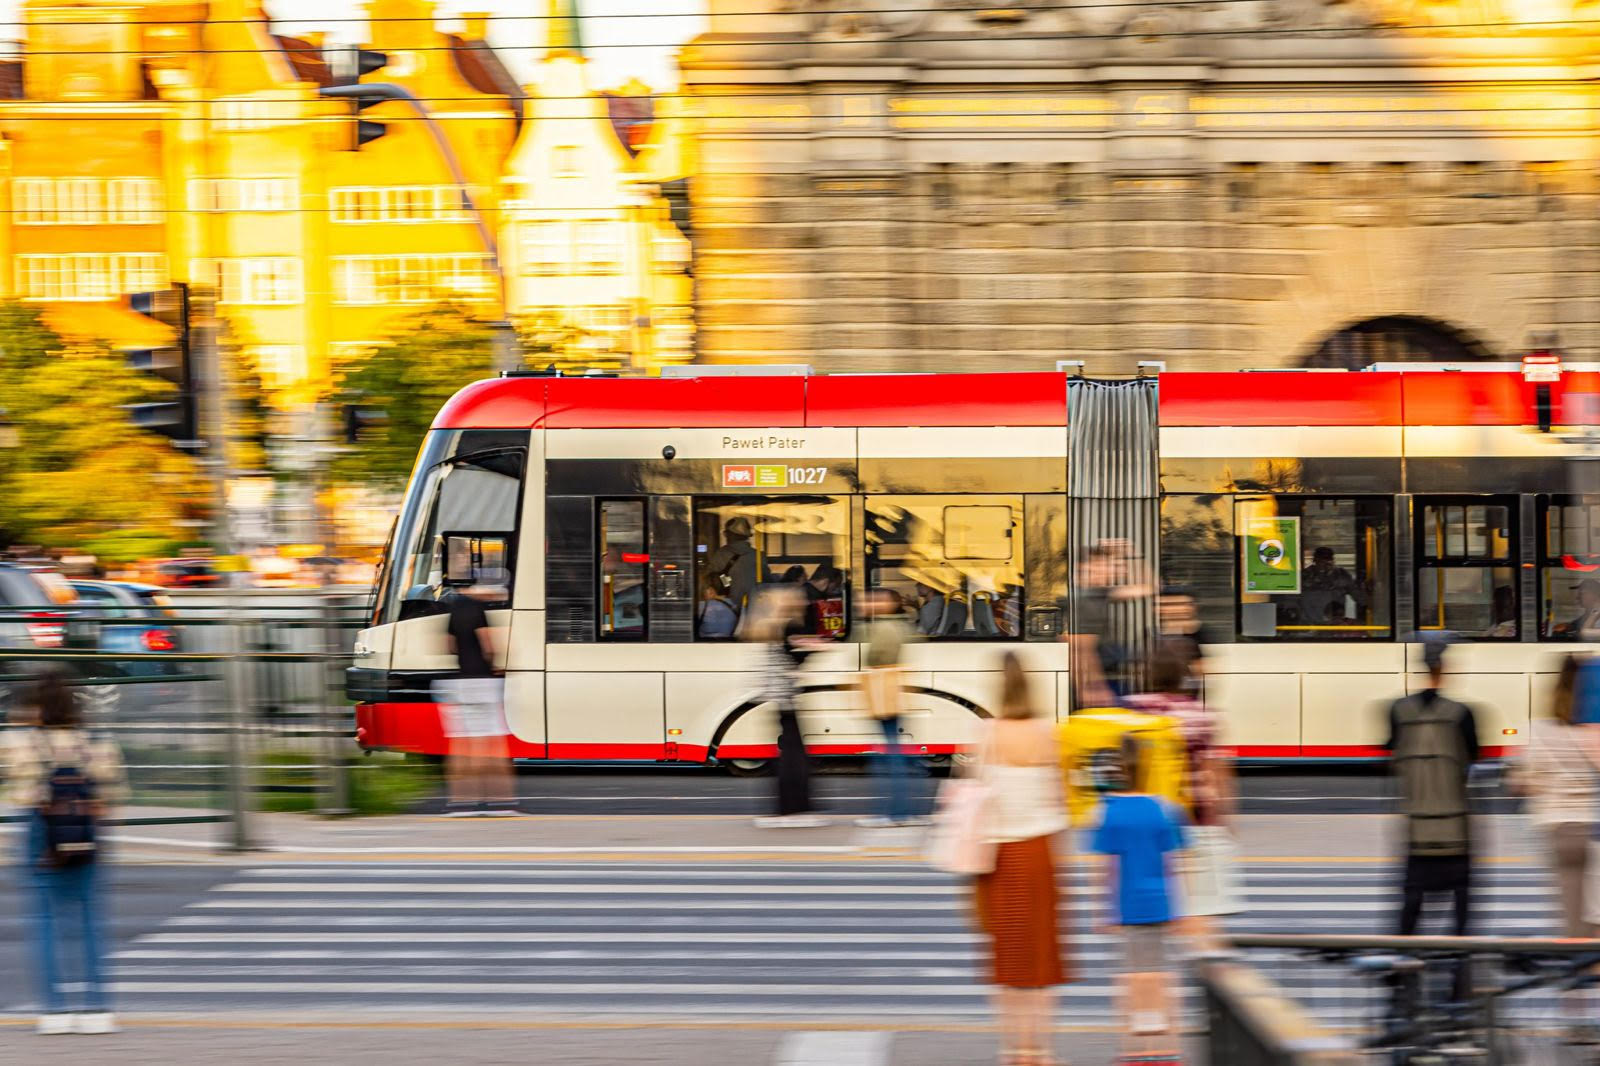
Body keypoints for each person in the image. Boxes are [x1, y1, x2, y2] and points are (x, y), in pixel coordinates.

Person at [1, 669, 127, 1034]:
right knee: (90, 918)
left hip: (39, 829)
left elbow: (12, 780)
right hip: (86, 829)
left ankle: (55, 1010)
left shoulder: (18, 740)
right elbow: (114, 794)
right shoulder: (95, 739)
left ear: (35, 706)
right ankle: (97, 1009)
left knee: (44, 920)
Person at [971, 652, 1070, 1066]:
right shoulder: (1048, 734)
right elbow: (1061, 799)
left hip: (999, 856)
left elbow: (973, 798)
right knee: (1042, 957)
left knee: (1007, 958)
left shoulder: (987, 734)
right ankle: (1040, 1050)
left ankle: (1012, 1049)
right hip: (1040, 852)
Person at [1384, 634, 1480, 1000]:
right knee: (1462, 913)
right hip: (1457, 829)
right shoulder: (1462, 715)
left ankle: (1402, 970)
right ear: (1447, 669)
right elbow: (1473, 756)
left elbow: (1388, 750)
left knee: (1410, 908)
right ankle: (1459, 980)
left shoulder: (1398, 712)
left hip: (1416, 829)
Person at [1125, 644, 1237, 949]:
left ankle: (1150, 986)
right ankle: (1212, 978)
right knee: (1201, 920)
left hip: (1145, 826)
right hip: (1195, 822)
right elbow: (1218, 771)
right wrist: (1225, 819)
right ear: (1184, 676)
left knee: (1145, 931)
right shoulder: (1202, 715)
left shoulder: (1132, 712)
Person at [1511, 655, 1600, 1036]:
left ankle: (1575, 1014)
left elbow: (1523, 783)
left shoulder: (1540, 730)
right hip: (1590, 832)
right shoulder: (1591, 732)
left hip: (1555, 832)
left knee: (1571, 925)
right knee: (1594, 924)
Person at [1092, 733, 1186, 1064]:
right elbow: (1174, 861)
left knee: (1131, 975)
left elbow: (1107, 868)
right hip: (1160, 900)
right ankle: (1168, 1046)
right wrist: (1179, 909)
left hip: (1127, 902)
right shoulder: (1165, 809)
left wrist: (1103, 911)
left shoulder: (1109, 811)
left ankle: (1134, 1050)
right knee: (1160, 973)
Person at [747, 584, 828, 828]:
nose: (804, 603)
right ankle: (791, 809)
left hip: (781, 698)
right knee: (793, 756)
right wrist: (815, 649)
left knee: (791, 753)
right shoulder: (785, 625)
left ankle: (792, 808)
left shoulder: (773, 624)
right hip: (786, 698)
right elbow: (792, 655)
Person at [435, 583, 515, 816]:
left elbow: (448, 646)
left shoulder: (453, 611)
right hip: (482, 682)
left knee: (460, 745)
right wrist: (494, 665)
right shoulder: (478, 610)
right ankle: (502, 803)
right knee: (493, 744)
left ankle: (460, 802)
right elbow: (488, 645)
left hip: (459, 683)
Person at [855, 589, 924, 829]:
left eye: (875, 600)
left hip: (883, 692)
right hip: (891, 693)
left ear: (889, 604)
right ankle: (901, 811)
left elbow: (875, 658)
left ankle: (897, 813)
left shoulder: (884, 627)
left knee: (889, 754)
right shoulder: (899, 624)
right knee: (894, 750)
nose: (868, 603)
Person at [705, 516, 766, 611]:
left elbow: (708, 578)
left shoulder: (720, 554)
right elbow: (767, 580)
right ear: (746, 536)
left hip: (727, 607)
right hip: (754, 609)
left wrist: (725, 581)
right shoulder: (758, 555)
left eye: (726, 533)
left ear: (731, 535)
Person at [1299, 545, 1362, 630]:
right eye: (1321, 560)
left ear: (1332, 560)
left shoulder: (1341, 575)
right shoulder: (1304, 576)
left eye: (1328, 560)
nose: (1324, 563)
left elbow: (1357, 595)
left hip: (1335, 624)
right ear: (1315, 560)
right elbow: (1292, 598)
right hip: (1309, 624)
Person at [802, 563, 847, 639]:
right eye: (836, 585)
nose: (835, 589)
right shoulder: (813, 598)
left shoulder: (804, 590)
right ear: (825, 582)